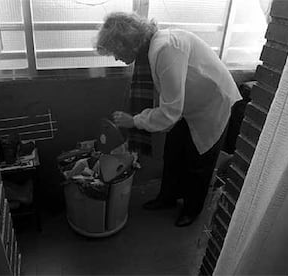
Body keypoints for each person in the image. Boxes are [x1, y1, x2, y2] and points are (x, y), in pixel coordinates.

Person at [96, 12, 241, 227]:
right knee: (173, 152)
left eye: (116, 51)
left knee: (199, 161)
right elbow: (171, 103)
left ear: (128, 43)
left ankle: (192, 209)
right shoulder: (154, 47)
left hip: (212, 105)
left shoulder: (166, 49)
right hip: (188, 105)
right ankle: (168, 198)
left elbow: (170, 112)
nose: (116, 58)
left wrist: (134, 120)